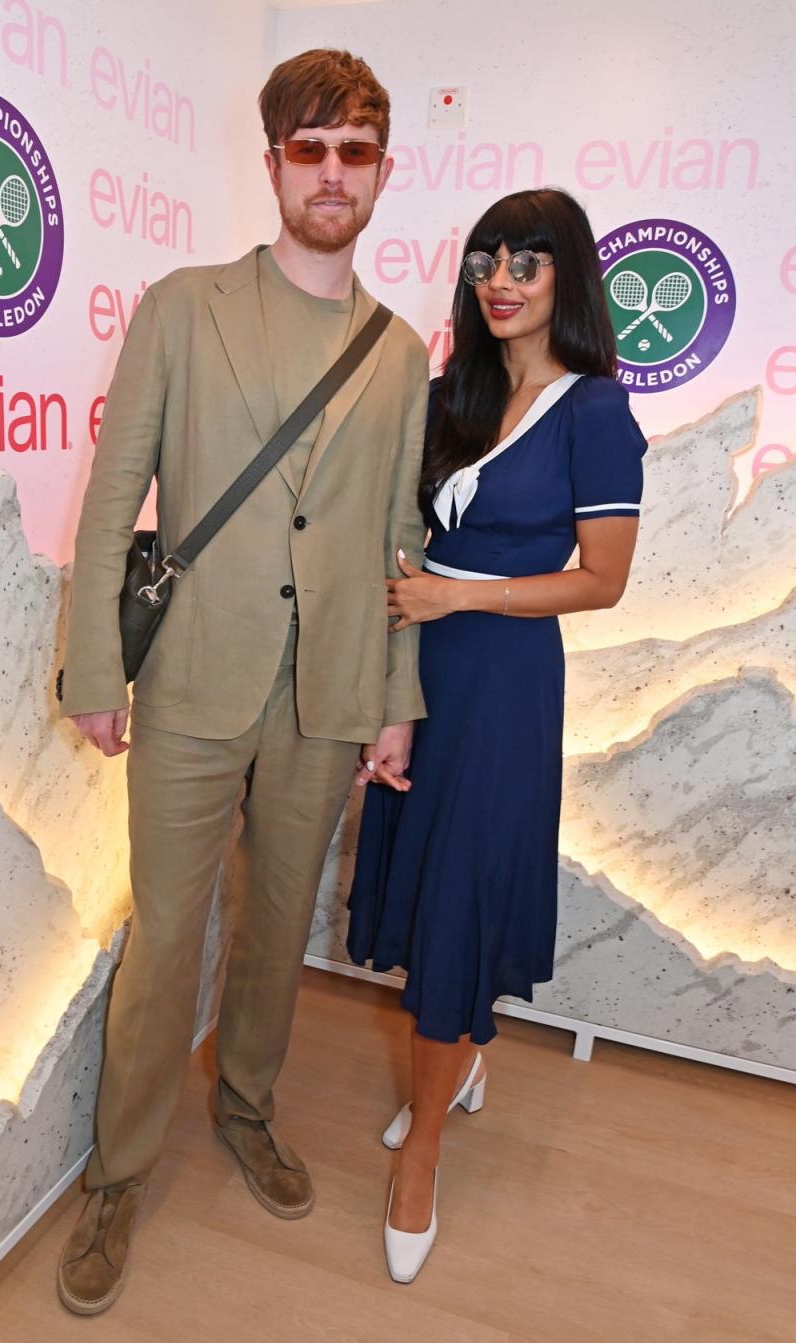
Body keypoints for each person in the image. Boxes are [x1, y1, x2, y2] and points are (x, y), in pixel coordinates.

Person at [54, 48, 429, 1314]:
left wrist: (396, 693)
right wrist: (96, 665)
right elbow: (118, 497)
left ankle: (250, 1106)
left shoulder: (396, 349)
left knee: (279, 923)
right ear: (272, 164)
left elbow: (398, 541)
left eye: (355, 151)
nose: (333, 173)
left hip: (324, 692)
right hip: (195, 680)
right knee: (168, 934)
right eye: (309, 149)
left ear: (383, 170)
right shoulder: (184, 302)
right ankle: (118, 1169)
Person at [348, 188, 646, 1284]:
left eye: (528, 259)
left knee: (464, 889)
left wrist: (455, 601)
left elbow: (601, 582)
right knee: (428, 878)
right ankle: (462, 1061)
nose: (502, 278)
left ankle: (423, 1143)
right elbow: (397, 534)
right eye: (486, 259)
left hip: (506, 673)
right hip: (419, 664)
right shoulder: (451, 394)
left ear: (567, 275)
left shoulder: (597, 410)